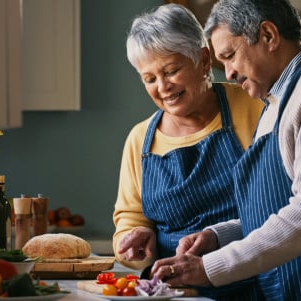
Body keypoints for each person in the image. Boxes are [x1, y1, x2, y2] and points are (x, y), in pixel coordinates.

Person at [150, 0, 301, 299]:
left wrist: (210, 268)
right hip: (290, 284)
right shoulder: (274, 104)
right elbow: (276, 209)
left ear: (268, 35)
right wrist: (218, 236)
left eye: (229, 56)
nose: (227, 73)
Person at [112, 4, 265, 299]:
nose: (163, 87)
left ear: (204, 59)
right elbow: (130, 219)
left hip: (251, 284)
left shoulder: (254, 106)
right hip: (173, 291)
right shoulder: (139, 139)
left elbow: (277, 205)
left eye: (171, 71)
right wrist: (136, 241)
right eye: (149, 79)